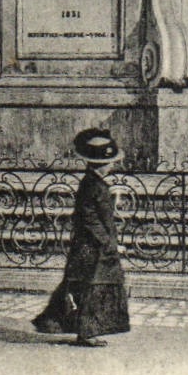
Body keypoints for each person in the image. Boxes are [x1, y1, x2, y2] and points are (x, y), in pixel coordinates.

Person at [33, 129, 129, 348]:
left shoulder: (95, 183)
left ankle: (55, 323)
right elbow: (90, 219)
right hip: (92, 247)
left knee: (84, 286)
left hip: (94, 245)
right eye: (110, 162)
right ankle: (85, 333)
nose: (112, 165)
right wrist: (107, 243)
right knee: (92, 289)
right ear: (100, 164)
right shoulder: (93, 185)